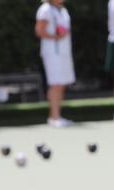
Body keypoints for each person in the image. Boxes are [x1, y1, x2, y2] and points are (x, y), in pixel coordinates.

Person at [35, 0, 75, 128]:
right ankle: (54, 117)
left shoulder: (63, 10)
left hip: (64, 52)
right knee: (55, 83)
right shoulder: (45, 10)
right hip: (52, 53)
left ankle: (57, 116)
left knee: (61, 84)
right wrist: (56, 37)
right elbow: (39, 31)